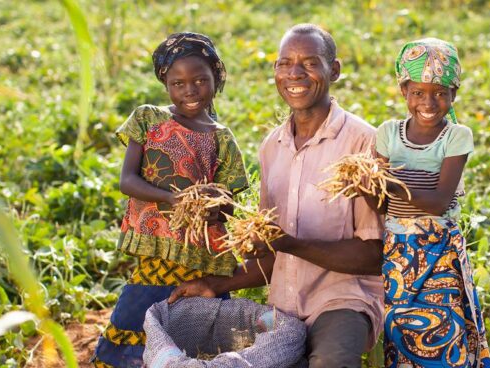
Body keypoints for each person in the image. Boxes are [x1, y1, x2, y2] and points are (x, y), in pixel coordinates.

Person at [168, 24, 385, 368]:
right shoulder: (273, 146)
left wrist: (289, 243)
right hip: (283, 308)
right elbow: (271, 256)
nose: (295, 73)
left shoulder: (362, 142)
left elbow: (374, 256)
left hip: (342, 302)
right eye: (285, 63)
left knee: (330, 362)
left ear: (335, 70)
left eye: (310, 63)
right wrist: (212, 284)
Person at [92, 32, 249, 368]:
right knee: (139, 313)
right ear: (166, 84)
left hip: (200, 256)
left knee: (202, 331)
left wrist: (210, 204)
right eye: (178, 83)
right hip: (156, 245)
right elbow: (127, 180)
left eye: (200, 81)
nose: (189, 91)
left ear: (216, 79)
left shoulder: (221, 137)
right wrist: (174, 199)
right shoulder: (148, 119)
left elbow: (229, 203)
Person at [364, 38, 490, 368]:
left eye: (439, 93)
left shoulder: (456, 136)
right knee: (401, 331)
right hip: (398, 254)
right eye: (418, 92)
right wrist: (362, 186)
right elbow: (381, 205)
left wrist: (391, 183)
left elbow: (438, 202)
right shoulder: (388, 133)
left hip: (441, 251)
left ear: (453, 95)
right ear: (404, 92)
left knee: (444, 330)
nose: (429, 102)